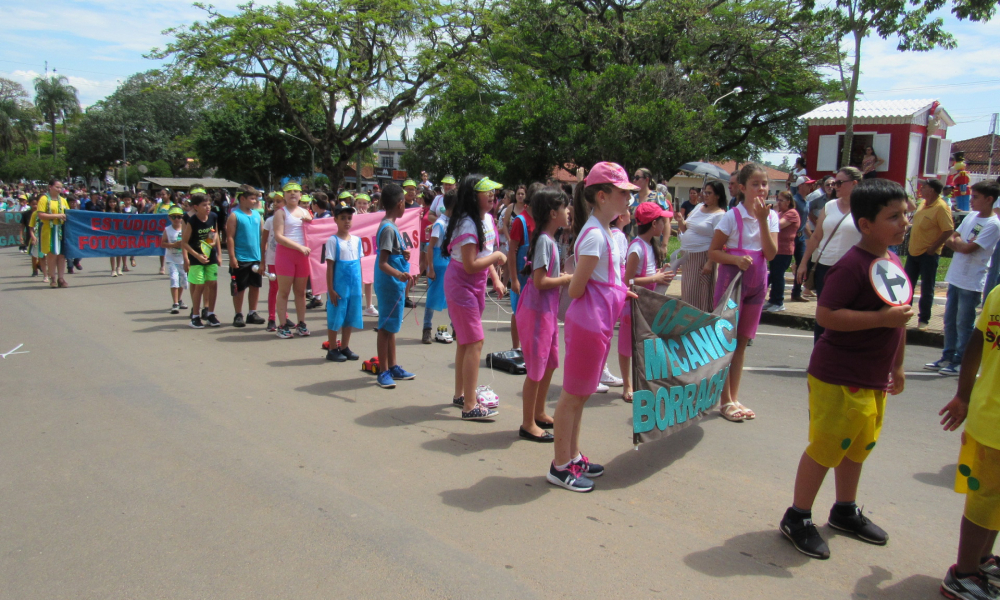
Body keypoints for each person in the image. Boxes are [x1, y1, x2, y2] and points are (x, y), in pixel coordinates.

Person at [779, 178, 912, 560]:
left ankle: (844, 510)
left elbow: (898, 320)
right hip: (837, 376)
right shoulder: (851, 266)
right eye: (893, 217)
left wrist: (898, 366)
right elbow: (827, 316)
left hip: (873, 377)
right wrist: (880, 320)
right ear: (865, 223)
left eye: (904, 214)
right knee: (825, 448)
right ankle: (797, 516)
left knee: (857, 447)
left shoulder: (891, 260)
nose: (903, 223)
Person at [547, 162, 634, 493]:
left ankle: (572, 456)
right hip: (588, 323)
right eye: (622, 193)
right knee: (572, 395)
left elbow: (608, 280)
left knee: (581, 395)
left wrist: (621, 291)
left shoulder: (608, 233)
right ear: (602, 196)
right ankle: (559, 465)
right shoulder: (595, 235)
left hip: (599, 324)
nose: (628, 199)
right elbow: (575, 288)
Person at [938, 284, 1000, 600]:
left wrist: (964, 395)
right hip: (994, 423)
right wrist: (962, 395)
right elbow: (977, 342)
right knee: (985, 500)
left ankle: (981, 560)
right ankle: (963, 573)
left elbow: (976, 343)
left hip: (988, 414)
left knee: (993, 500)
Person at [708, 163, 779, 422]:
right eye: (755, 184)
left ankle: (733, 397)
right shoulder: (730, 217)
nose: (761, 189)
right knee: (726, 342)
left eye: (764, 184)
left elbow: (771, 253)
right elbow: (713, 252)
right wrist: (735, 260)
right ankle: (724, 400)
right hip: (732, 284)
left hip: (758, 284)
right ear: (742, 188)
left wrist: (762, 220)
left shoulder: (769, 217)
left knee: (741, 344)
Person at [442, 175, 507, 418]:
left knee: (466, 342)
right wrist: (498, 259)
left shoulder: (487, 219)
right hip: (461, 285)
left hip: (476, 285)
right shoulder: (468, 224)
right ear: (473, 195)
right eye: (486, 191)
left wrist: (497, 278)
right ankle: (470, 405)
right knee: (475, 342)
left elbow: (484, 254)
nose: (492, 195)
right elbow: (470, 264)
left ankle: (461, 395)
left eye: (493, 191)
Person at [925, 181, 1000, 377]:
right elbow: (953, 237)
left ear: (989, 199)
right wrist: (961, 244)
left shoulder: (993, 224)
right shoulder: (972, 217)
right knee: (949, 320)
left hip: (972, 280)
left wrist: (960, 244)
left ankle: (961, 360)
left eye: (975, 197)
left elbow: (968, 249)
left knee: (963, 323)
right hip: (956, 276)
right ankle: (947, 356)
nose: (971, 201)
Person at [516, 188, 572, 442]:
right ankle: (528, 423)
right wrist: (566, 279)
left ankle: (538, 412)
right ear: (553, 213)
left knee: (549, 363)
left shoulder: (549, 240)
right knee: (536, 368)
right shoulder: (544, 242)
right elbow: (539, 281)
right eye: (565, 208)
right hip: (537, 313)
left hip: (546, 313)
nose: (569, 211)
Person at [797, 167, 864, 340]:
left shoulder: (865, 208)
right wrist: (804, 263)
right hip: (824, 267)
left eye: (840, 183)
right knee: (823, 314)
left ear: (854, 184)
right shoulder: (829, 206)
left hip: (852, 270)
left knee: (846, 314)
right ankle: (819, 357)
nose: (835, 186)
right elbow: (816, 236)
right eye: (834, 183)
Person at [619, 203, 675, 403]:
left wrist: (659, 274)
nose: (665, 223)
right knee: (627, 346)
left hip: (646, 305)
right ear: (654, 224)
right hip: (633, 305)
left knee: (645, 345)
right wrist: (655, 279)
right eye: (663, 220)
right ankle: (628, 384)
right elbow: (627, 281)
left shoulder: (649, 245)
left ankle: (643, 381)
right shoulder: (636, 247)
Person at [373, 183, 417, 389]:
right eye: (405, 202)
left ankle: (393, 366)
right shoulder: (388, 228)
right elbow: (382, 262)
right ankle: (383, 371)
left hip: (394, 284)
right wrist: (400, 273)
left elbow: (391, 254)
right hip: (389, 283)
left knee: (391, 327)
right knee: (385, 327)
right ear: (400, 203)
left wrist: (402, 253)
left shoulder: (391, 226)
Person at [906, 178, 954, 330]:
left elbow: (948, 230)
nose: (921, 189)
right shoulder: (923, 203)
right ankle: (904, 315)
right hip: (913, 252)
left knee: (927, 288)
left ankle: (924, 319)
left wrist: (933, 247)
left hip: (928, 254)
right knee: (907, 286)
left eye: (924, 187)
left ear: (932, 190)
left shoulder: (941, 207)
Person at [676, 180, 726, 312]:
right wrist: (680, 220)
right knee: (688, 292)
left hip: (702, 256)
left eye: (709, 193)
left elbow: (719, 242)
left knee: (698, 295)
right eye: (704, 192)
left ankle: (697, 324)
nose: (705, 195)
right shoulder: (699, 207)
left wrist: (710, 262)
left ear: (718, 195)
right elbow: (685, 228)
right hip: (688, 256)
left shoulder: (719, 215)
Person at [272, 182, 314, 339]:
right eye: (289, 191)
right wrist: (299, 247)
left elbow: (315, 231)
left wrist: (310, 221)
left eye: (296, 191)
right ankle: (282, 325)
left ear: (301, 195)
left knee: (300, 292)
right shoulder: (281, 213)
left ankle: (301, 324)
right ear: (284, 195)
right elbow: (279, 236)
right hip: (286, 255)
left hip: (302, 256)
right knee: (283, 292)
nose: (293, 194)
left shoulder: (305, 212)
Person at [324, 202, 364, 362]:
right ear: (335, 220)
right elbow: (330, 267)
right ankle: (332, 348)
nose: (347, 221)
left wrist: (359, 286)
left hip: (354, 286)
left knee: (350, 315)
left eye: (349, 218)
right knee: (336, 315)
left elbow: (358, 265)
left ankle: (345, 346)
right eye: (342, 218)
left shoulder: (356, 240)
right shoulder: (333, 241)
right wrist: (330, 289)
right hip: (339, 286)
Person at [181, 188, 223, 328]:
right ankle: (195, 316)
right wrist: (197, 255)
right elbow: (185, 243)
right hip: (196, 258)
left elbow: (215, 233)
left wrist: (214, 251)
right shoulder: (192, 221)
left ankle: (210, 314)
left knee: (213, 284)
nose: (208, 207)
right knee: (199, 285)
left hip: (210, 256)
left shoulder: (213, 217)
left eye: (209, 204)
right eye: (204, 205)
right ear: (196, 207)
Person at [227, 184, 266, 328]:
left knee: (255, 286)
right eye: (252, 198)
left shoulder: (257, 215)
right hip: (241, 258)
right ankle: (238, 314)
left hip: (255, 257)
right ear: (242, 199)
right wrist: (232, 257)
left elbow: (263, 235)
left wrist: (263, 256)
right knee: (240, 287)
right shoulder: (235, 215)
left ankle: (252, 313)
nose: (255, 201)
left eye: (256, 198)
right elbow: (230, 237)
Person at [423, 189, 454, 344]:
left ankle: (455, 327)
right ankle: (426, 329)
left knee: (452, 296)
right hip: (438, 264)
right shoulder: (439, 224)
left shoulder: (453, 223)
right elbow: (430, 247)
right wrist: (430, 268)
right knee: (432, 297)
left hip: (450, 264)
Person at [763, 191, 801, 313]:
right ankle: (772, 300)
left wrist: (771, 214)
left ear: (788, 201)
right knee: (774, 275)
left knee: (778, 276)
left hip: (785, 251)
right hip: (776, 249)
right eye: (777, 200)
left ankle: (779, 302)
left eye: (781, 200)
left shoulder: (792, 213)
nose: (778, 203)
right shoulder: (780, 213)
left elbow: (777, 225)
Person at [506, 184, 533, 351]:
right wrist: (513, 279)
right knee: (518, 312)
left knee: (530, 313)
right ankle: (516, 347)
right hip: (521, 277)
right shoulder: (520, 221)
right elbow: (511, 252)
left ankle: (527, 347)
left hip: (533, 276)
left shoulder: (540, 221)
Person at [261, 192, 291, 332]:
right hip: (273, 259)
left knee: (285, 289)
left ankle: (284, 316)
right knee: (274, 288)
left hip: (287, 258)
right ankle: (272, 318)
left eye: (279, 201)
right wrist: (262, 261)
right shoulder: (269, 220)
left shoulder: (291, 219)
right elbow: (264, 241)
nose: (276, 204)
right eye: (275, 201)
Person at [36, 179, 69, 288]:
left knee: (61, 255)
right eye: (57, 187)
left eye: (61, 187)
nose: (59, 189)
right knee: (52, 254)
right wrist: (57, 216)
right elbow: (40, 215)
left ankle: (61, 278)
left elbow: (68, 213)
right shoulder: (44, 199)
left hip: (61, 229)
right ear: (50, 187)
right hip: (49, 229)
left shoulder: (63, 200)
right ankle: (52, 278)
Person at [161, 206, 190, 314]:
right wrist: (173, 244)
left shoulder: (186, 229)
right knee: (174, 279)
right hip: (171, 259)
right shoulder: (167, 230)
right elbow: (162, 243)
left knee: (183, 281)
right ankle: (175, 303)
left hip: (182, 259)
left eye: (179, 217)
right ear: (170, 218)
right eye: (174, 217)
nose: (177, 219)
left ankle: (179, 299)